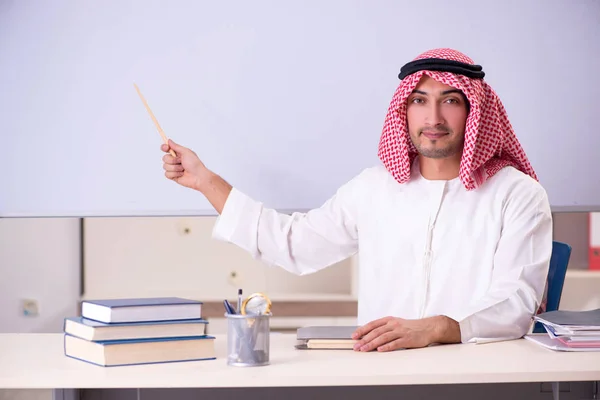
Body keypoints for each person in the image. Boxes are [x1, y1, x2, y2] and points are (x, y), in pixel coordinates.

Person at [160, 48, 553, 352]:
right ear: (404, 109)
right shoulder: (373, 189)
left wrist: (437, 327)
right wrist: (206, 181)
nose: (433, 117)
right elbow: (294, 245)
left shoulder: (517, 194)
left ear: (474, 111)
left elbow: (517, 301)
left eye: (450, 100)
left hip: (480, 378)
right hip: (382, 377)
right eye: (419, 100)